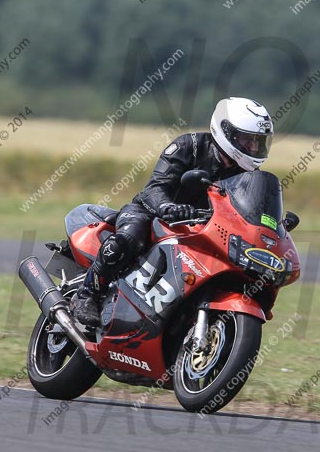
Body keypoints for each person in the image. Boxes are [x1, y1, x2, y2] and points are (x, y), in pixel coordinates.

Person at [71, 97, 274, 327]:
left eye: (259, 142)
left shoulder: (246, 176)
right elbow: (155, 188)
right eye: (248, 141)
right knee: (130, 237)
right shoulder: (189, 146)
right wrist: (168, 207)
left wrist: (270, 223)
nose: (254, 149)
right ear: (226, 131)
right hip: (151, 213)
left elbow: (246, 209)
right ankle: (87, 295)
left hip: (199, 230)